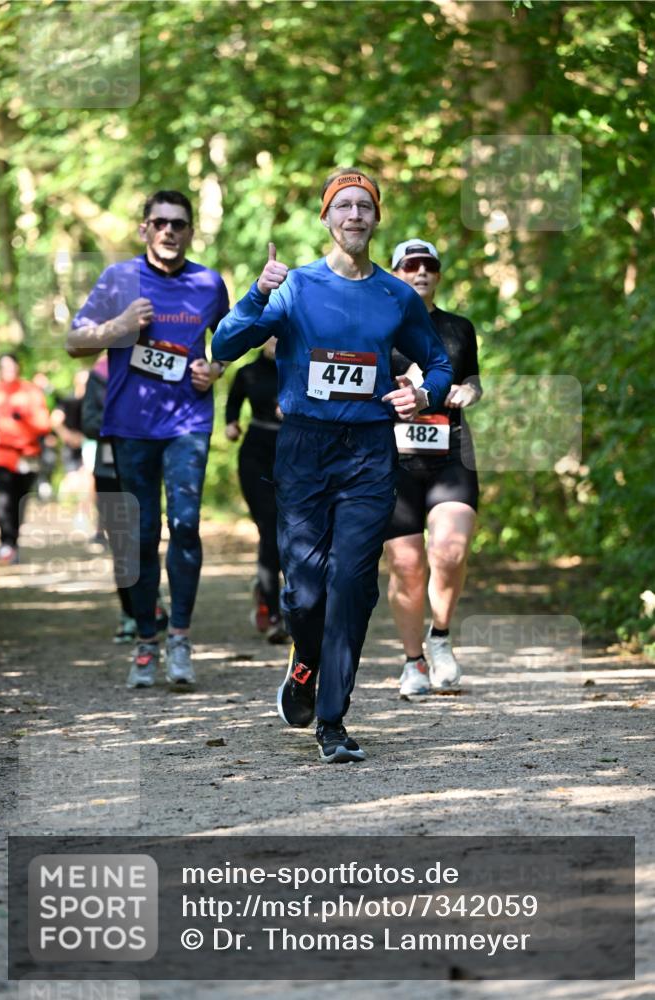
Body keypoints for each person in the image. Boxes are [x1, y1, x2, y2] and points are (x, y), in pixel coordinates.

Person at [211, 168, 452, 763]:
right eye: (342, 206)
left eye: (363, 207)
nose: (353, 215)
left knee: (351, 585)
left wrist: (423, 395)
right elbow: (222, 346)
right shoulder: (294, 287)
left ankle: (332, 720)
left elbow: (439, 362)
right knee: (306, 594)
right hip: (304, 449)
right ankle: (307, 660)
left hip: (370, 451)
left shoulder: (396, 295)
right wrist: (256, 293)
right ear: (325, 218)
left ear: (375, 219)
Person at [67, 190, 229, 690]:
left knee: (183, 525)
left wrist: (215, 367)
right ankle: (144, 640)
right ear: (144, 229)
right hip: (131, 426)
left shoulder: (208, 283)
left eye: (178, 224)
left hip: (187, 424)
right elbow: (74, 342)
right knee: (138, 537)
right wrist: (117, 326)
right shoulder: (118, 279)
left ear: (190, 231)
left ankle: (178, 638)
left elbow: (228, 338)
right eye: (159, 222)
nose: (169, 231)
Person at [384, 239, 482, 697]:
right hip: (394, 460)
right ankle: (413, 662)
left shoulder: (459, 327)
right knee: (406, 565)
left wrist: (470, 393)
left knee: (450, 550)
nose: (421, 272)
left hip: (451, 451)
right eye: (411, 265)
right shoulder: (378, 326)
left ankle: (439, 637)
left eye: (429, 265)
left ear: (438, 275)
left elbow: (473, 379)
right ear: (396, 273)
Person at [81, 355, 169, 643]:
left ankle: (150, 604)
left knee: (145, 536)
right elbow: (89, 422)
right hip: (109, 469)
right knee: (121, 543)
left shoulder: (147, 366)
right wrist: (121, 424)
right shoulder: (99, 375)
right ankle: (130, 613)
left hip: (143, 465)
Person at [224, 336, 288, 644]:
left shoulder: (300, 368)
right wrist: (231, 425)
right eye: (270, 333)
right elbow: (232, 406)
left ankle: (282, 598)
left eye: (282, 332)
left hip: (293, 455)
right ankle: (274, 613)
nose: (276, 339)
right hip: (256, 456)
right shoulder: (247, 373)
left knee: (293, 532)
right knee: (269, 528)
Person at [0, 353, 51, 565]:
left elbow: (44, 424)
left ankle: (13, 541)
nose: (9, 371)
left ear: (18, 367)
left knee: (20, 499)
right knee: (5, 498)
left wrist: (24, 419)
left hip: (27, 455)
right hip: (0, 454)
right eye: (5, 367)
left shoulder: (30, 391)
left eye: (12, 366)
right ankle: (6, 543)